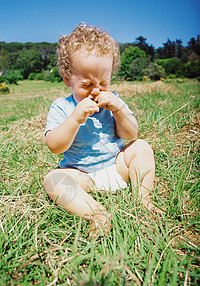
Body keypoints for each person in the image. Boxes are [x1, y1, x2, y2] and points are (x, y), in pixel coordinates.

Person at [44, 23, 160, 238]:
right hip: (83, 175)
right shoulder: (62, 107)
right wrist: (75, 119)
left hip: (116, 167)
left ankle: (145, 201)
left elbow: (130, 134)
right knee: (53, 179)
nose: (96, 90)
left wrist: (119, 110)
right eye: (87, 84)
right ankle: (96, 214)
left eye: (103, 83)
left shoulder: (113, 100)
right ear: (68, 79)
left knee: (141, 147)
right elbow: (55, 146)